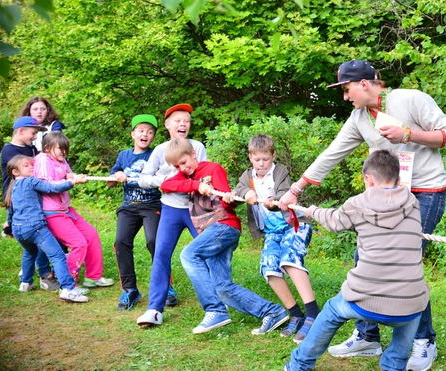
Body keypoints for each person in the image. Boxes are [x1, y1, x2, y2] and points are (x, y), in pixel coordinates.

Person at [278, 59, 446, 371]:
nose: (346, 97)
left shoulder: (411, 99)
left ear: (364, 84)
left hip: (425, 192)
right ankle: (367, 336)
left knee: (405, 266)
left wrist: (408, 133)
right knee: (365, 259)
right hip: (385, 194)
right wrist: (296, 189)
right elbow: (332, 153)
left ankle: (424, 341)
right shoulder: (359, 118)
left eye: (347, 90)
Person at [285, 149, 429, 371]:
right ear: (399, 179)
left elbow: (334, 221)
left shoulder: (358, 203)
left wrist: (313, 211)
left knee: (333, 311)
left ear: (368, 180)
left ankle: (298, 364)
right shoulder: (413, 203)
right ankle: (394, 365)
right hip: (411, 306)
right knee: (411, 308)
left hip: (366, 300)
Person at [140, 138, 289, 334]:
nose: (182, 168)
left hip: (224, 226)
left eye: (184, 162)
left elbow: (227, 200)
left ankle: (215, 310)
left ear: (193, 154)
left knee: (189, 254)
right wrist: (195, 186)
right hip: (213, 233)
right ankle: (273, 312)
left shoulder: (212, 168)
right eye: (177, 166)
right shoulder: (184, 176)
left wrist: (227, 197)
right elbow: (168, 185)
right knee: (222, 287)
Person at [224, 134, 319, 343]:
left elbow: (285, 192)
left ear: (273, 156)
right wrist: (246, 192)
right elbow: (239, 191)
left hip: (294, 225)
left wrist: (274, 201)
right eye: (257, 159)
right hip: (272, 231)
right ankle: (296, 314)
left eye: (265, 159)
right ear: (250, 157)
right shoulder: (247, 175)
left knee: (289, 260)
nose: (261, 163)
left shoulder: (280, 171)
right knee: (268, 267)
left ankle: (313, 313)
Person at [135, 104, 207, 326]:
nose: (183, 124)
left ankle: (216, 305)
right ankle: (154, 309)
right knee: (161, 254)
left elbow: (204, 173)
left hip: (197, 208)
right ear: (168, 125)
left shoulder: (197, 146)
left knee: (208, 253)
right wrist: (165, 182)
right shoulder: (159, 150)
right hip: (170, 209)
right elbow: (143, 178)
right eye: (178, 120)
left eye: (186, 120)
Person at [33, 131, 114, 289]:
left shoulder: (61, 161)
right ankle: (69, 284)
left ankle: (93, 277)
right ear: (48, 148)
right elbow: (48, 186)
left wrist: (75, 177)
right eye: (60, 148)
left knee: (91, 235)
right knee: (78, 243)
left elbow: (69, 174)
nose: (64, 152)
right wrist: (71, 183)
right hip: (52, 213)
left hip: (66, 210)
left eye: (66, 149)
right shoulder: (43, 159)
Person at [3, 155, 89, 302]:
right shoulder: (30, 181)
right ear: (15, 172)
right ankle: (68, 289)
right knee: (57, 255)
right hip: (35, 227)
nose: (31, 167)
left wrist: (9, 226)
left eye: (31, 165)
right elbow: (51, 188)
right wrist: (72, 182)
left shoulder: (13, 187)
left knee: (30, 253)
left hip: (18, 230)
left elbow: (11, 210)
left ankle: (25, 282)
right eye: (26, 166)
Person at [107, 114, 161, 311]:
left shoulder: (157, 155)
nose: (145, 134)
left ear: (153, 137)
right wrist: (117, 175)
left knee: (154, 240)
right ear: (133, 134)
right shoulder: (123, 156)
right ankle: (130, 289)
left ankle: (165, 286)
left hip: (151, 205)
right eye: (141, 130)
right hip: (129, 206)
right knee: (121, 241)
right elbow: (110, 182)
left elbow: (165, 178)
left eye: (150, 132)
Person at [0, 116, 58, 291]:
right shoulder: (10, 151)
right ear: (21, 131)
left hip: (33, 199)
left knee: (33, 244)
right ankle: (45, 275)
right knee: (40, 236)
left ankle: (26, 279)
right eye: (33, 133)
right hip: (20, 201)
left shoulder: (31, 148)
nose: (34, 137)